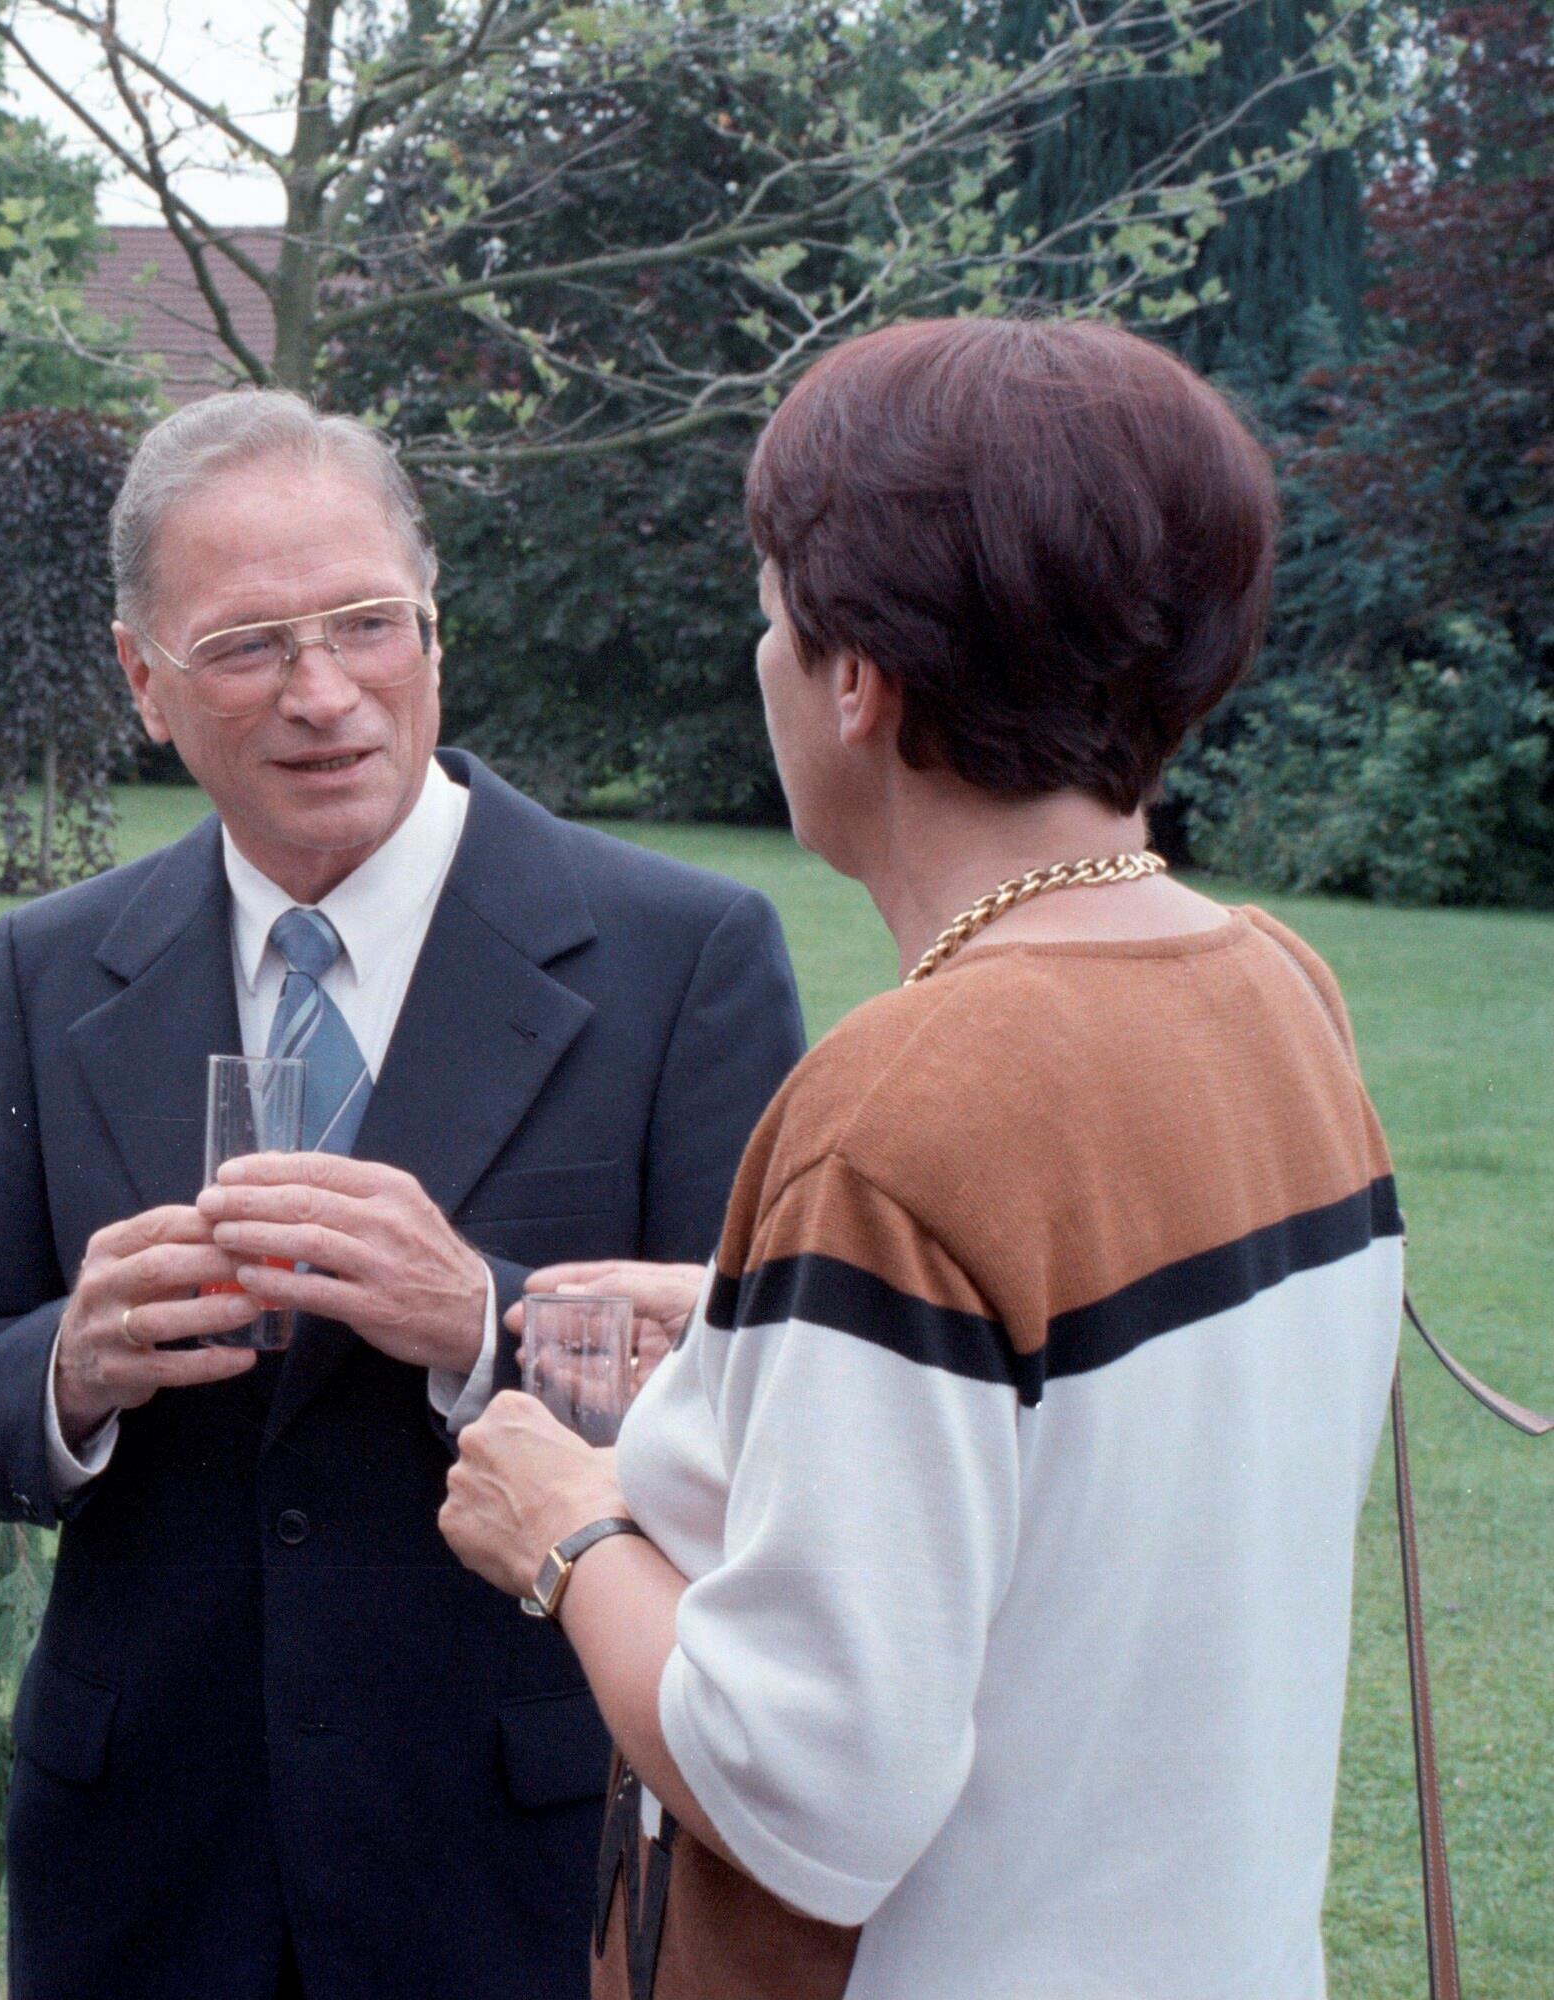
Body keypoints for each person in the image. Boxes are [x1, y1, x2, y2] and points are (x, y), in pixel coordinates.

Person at [439, 317, 1406, 2000]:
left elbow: (804, 1794)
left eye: (772, 611)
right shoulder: (1276, 988)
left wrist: (566, 1531)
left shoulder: (903, 1107)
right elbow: (1103, 1469)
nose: (763, 658)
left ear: (856, 681)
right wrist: (751, 1350)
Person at [0, 389, 807, 2000]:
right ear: (143, 681)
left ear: (436, 625)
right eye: (247, 646)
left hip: (513, 1862)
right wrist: (71, 1367)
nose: (323, 694)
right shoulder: (58, 966)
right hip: (145, 1875)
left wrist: (482, 1324)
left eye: (367, 624)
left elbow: (777, 1423)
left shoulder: (680, 959)